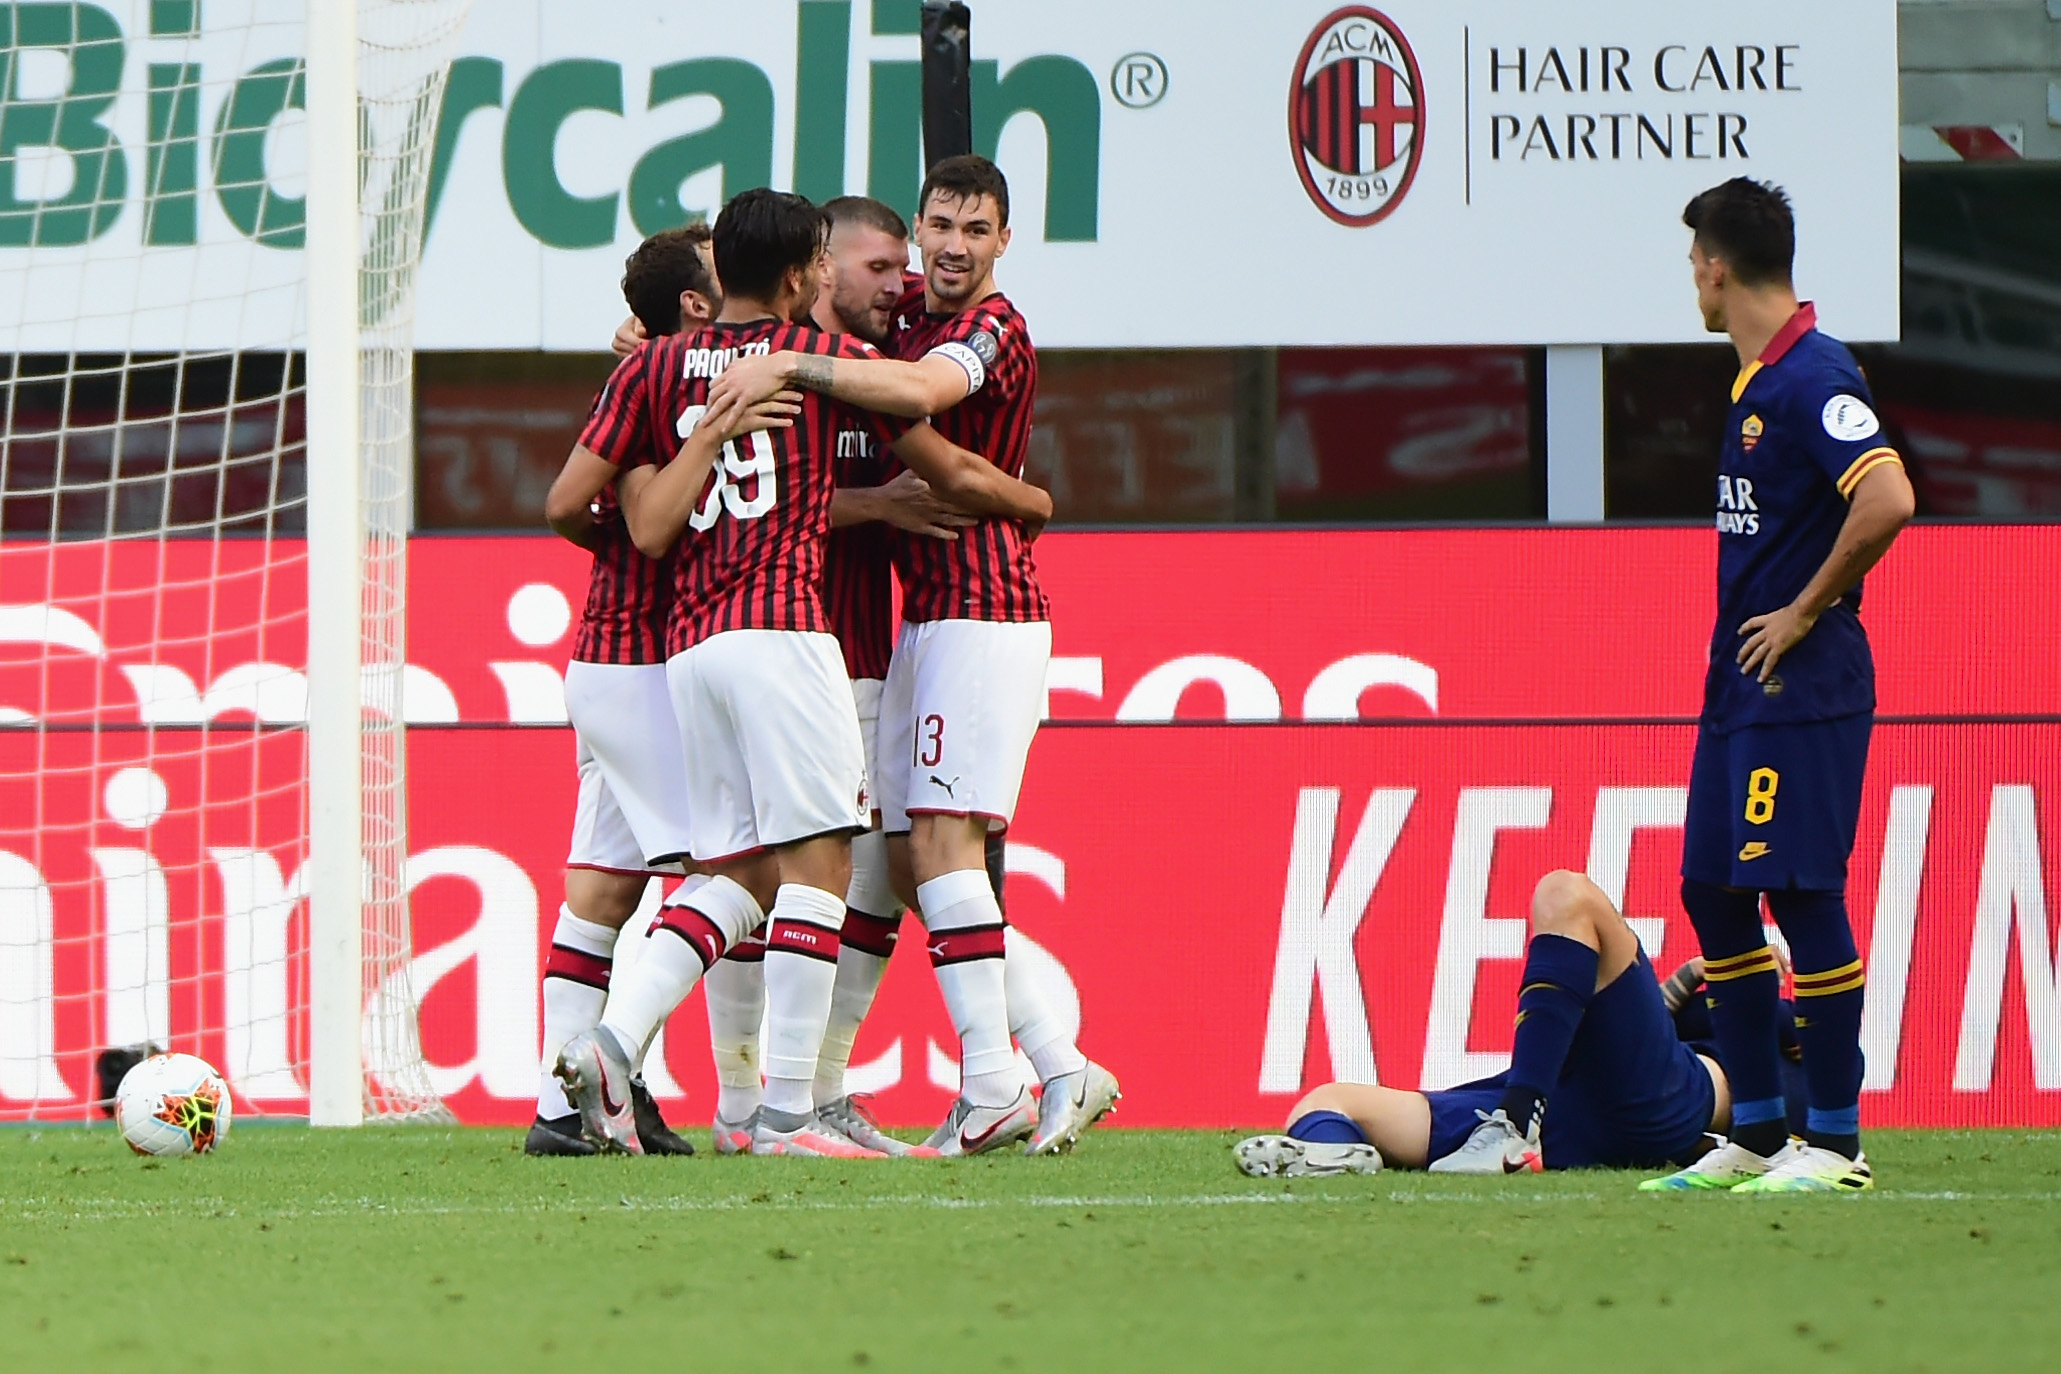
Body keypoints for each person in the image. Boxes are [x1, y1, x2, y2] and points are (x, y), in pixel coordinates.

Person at [710, 157, 1119, 1157]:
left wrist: (791, 366)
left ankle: (995, 1082)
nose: (949, 248)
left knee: (936, 849)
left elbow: (928, 402)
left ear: (1003, 241)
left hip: (983, 611)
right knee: (902, 863)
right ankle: (1049, 1064)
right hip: (923, 625)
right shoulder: (899, 331)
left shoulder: (991, 329)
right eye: (939, 226)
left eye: (974, 231)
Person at [1651, 177, 1915, 1193]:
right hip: (1739, 686)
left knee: (1801, 894)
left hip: (1801, 686)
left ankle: (1836, 1144)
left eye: (1693, 264)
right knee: (1713, 891)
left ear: (1718, 267)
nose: (1692, 280)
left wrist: (1805, 609)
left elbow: (1888, 496)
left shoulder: (1813, 376)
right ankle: (1758, 1134)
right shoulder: (1756, 381)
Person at [525, 226, 723, 1158]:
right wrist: (621, 535)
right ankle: (613, 1062)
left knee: (602, 892)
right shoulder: (655, 378)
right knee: (732, 873)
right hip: (642, 659)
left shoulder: (661, 369)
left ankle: (562, 1110)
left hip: (614, 658)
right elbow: (569, 503)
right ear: (692, 300)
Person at [1232, 871, 1809, 1180]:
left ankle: (1514, 1124)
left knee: (1566, 893)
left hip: (1663, 1105)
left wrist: (1739, 988)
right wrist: (1691, 977)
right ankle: (1335, 1158)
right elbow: (1639, 1031)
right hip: (1569, 1108)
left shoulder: (1792, 1048)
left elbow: (1779, 1055)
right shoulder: (1703, 1023)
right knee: (1330, 1100)